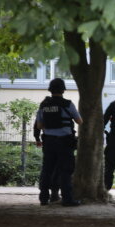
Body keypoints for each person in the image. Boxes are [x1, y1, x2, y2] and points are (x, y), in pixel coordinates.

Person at [36, 78, 82, 206]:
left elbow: (39, 125)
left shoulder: (44, 105)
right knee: (65, 171)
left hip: (49, 142)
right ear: (63, 90)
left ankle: (43, 198)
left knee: (47, 169)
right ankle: (67, 199)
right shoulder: (68, 104)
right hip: (65, 142)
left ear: (50, 90)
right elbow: (79, 121)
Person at [33, 120, 60, 203]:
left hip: (48, 141)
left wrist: (37, 139)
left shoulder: (44, 108)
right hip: (62, 142)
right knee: (59, 169)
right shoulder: (65, 107)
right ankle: (55, 194)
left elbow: (37, 126)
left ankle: (43, 196)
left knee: (46, 169)